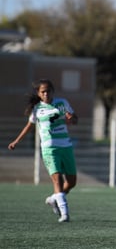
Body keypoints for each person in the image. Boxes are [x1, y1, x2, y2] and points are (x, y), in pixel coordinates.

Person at [8, 79, 78, 223]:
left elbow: (74, 119)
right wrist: (16, 141)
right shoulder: (37, 109)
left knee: (71, 182)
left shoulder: (62, 103)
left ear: (53, 91)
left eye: (48, 91)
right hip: (49, 148)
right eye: (43, 91)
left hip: (66, 146)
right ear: (39, 94)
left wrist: (72, 118)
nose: (46, 93)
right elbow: (29, 126)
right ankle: (64, 214)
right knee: (57, 179)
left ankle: (54, 199)